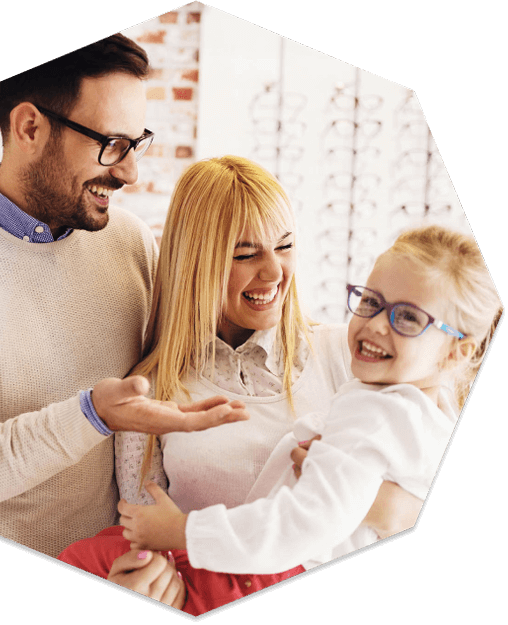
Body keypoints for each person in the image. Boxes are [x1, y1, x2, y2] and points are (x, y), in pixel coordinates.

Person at [0, 35, 249, 564]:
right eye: (110, 144)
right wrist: (92, 415)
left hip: (126, 563)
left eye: (136, 143)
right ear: (29, 127)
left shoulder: (129, 241)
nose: (128, 172)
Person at [57, 156, 431, 614]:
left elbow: (416, 479)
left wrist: (374, 504)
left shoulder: (351, 357)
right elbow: (142, 534)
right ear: (196, 262)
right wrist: (146, 582)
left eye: (285, 245)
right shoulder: (151, 393)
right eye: (245, 253)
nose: (274, 273)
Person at [116, 223, 502, 613]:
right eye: (370, 302)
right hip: (246, 562)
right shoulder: (425, 407)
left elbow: (304, 524)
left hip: (269, 568)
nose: (376, 324)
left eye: (408, 318)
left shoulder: (377, 410)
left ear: (458, 352)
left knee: (88, 557)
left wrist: (183, 532)